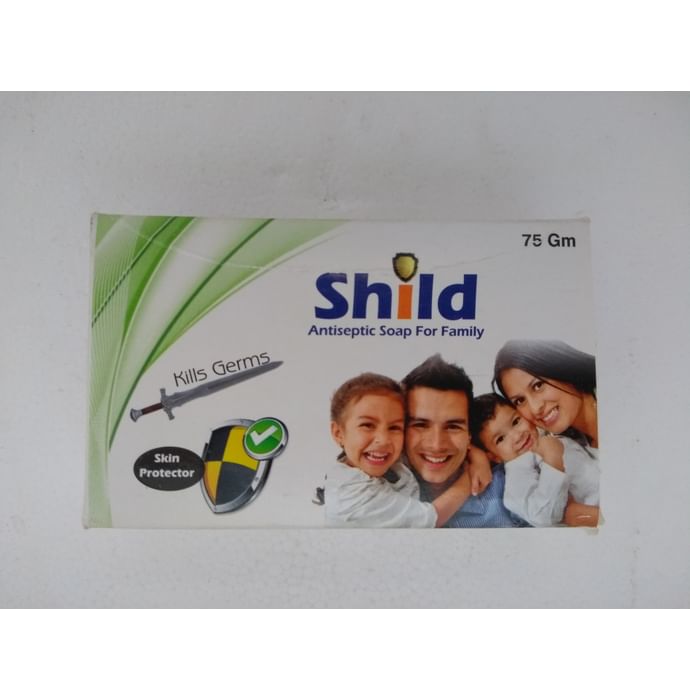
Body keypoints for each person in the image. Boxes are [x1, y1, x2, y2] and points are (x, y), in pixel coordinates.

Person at [324, 372, 479, 527]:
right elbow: (433, 517)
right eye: (367, 425)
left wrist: (478, 457)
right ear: (338, 433)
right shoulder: (350, 495)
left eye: (394, 427)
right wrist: (469, 478)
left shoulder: (378, 460)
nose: (383, 440)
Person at [401, 355, 528, 528]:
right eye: (420, 425)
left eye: (453, 426)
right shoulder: (375, 486)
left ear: (469, 435)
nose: (437, 445)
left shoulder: (512, 489)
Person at [492, 339, 599, 526]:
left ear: (563, 370)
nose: (535, 408)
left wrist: (574, 514)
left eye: (538, 385)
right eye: (520, 401)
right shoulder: (566, 441)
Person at [470, 392, 600, 527]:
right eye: (501, 439)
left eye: (516, 422)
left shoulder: (547, 435)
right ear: (494, 456)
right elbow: (542, 516)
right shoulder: (517, 476)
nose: (517, 436)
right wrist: (553, 462)